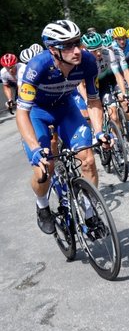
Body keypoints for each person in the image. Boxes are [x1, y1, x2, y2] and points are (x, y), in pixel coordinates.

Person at [15, 21, 108, 235]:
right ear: (52, 49)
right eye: (67, 46)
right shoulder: (37, 67)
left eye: (77, 43)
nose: (76, 50)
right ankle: (42, 206)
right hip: (37, 113)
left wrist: (100, 131)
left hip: (66, 108)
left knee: (88, 159)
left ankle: (89, 213)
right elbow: (22, 113)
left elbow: (93, 101)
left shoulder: (87, 62)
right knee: (43, 170)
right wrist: (34, 147)